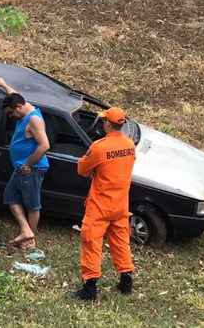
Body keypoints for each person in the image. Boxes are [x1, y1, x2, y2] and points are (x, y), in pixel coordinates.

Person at [71, 107, 136, 301]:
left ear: (107, 123)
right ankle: (126, 281)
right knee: (121, 243)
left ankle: (89, 288)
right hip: (120, 205)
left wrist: (88, 163)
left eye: (104, 121)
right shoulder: (130, 145)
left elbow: (82, 169)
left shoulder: (100, 147)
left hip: (100, 206)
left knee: (91, 242)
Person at [0, 77, 50, 249]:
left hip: (31, 170)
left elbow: (44, 145)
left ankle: (29, 241)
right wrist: (4, 85)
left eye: (11, 113)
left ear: (18, 107)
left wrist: (28, 164)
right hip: (21, 169)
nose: (11, 117)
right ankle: (26, 231)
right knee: (10, 196)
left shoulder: (34, 120)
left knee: (32, 205)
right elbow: (15, 95)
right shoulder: (23, 105)